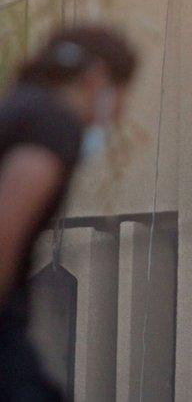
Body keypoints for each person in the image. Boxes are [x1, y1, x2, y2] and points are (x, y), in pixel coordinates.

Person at [0, 26, 137, 401]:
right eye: (123, 93)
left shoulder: (20, 108)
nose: (120, 111)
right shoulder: (52, 123)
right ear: (97, 79)